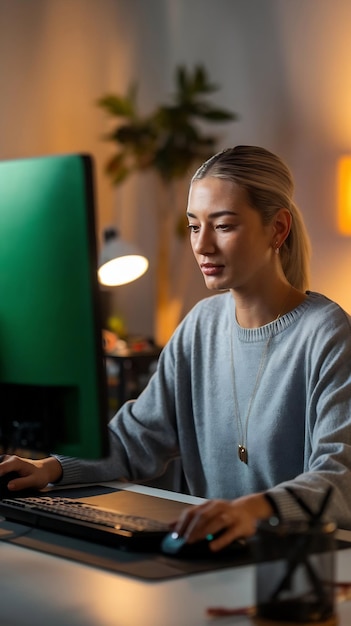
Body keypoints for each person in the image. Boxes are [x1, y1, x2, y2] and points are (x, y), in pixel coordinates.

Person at [1, 145, 351, 553]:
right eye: (193, 226)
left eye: (222, 226)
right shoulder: (200, 326)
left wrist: (248, 512)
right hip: (212, 552)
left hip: (296, 563)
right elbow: (138, 437)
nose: (202, 246)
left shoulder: (326, 332)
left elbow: (338, 479)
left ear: (278, 229)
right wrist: (50, 468)